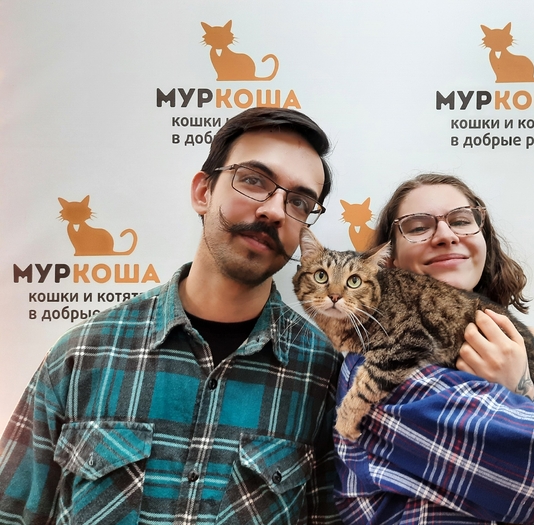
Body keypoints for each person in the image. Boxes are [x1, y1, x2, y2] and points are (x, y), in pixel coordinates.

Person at [0, 108, 343, 524]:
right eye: (254, 180)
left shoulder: (323, 374)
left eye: (299, 201)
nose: (274, 210)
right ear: (203, 192)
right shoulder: (84, 353)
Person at [334, 174, 534, 524]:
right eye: (418, 227)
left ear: (485, 242)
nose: (446, 235)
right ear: (387, 264)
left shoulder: (515, 345)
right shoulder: (383, 374)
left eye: (462, 221)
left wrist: (525, 377)